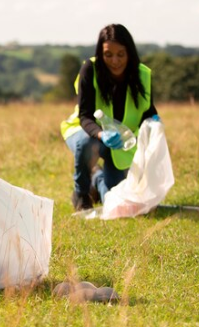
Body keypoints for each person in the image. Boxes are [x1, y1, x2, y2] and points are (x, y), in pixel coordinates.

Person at [60, 24, 158, 211]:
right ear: (100, 53)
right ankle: (81, 194)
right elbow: (85, 116)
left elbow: (147, 110)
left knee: (116, 203)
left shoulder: (143, 75)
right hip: (86, 132)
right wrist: (101, 135)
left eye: (121, 54)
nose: (115, 61)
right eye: (108, 54)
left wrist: (155, 121)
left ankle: (98, 180)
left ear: (130, 52)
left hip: (121, 141)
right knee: (87, 143)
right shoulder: (90, 69)